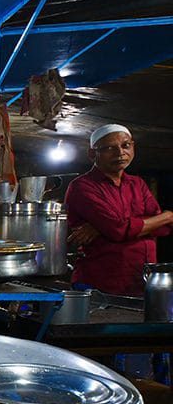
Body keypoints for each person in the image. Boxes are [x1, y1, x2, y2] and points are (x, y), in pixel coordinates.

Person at [65, 124, 172, 295]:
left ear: (133, 147)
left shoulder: (137, 183)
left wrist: (102, 228)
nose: (120, 153)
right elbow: (118, 230)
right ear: (92, 154)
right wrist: (168, 216)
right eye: (109, 148)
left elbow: (163, 228)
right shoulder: (82, 187)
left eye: (125, 145)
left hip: (142, 281)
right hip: (102, 284)